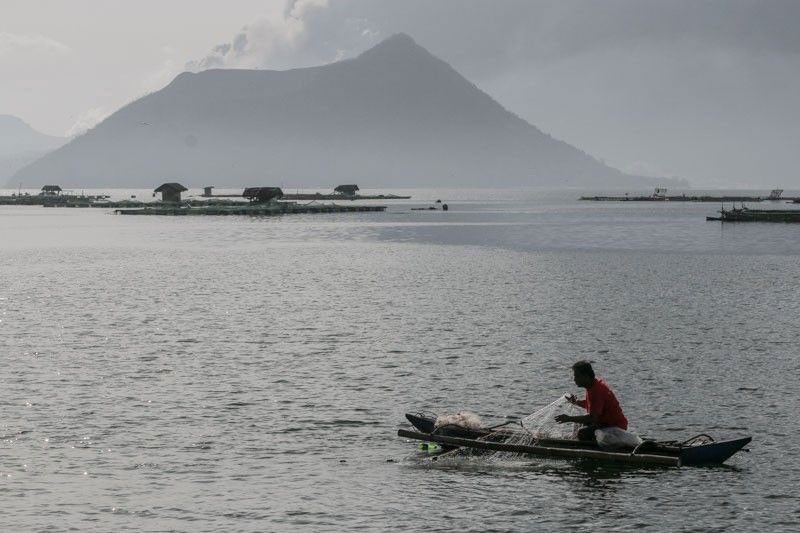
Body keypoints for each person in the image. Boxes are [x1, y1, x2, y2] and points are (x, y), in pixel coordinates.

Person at [555, 360, 628, 441]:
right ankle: (580, 441)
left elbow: (593, 418)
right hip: (606, 424)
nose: (574, 379)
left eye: (577, 376)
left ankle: (591, 446)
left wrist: (569, 418)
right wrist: (576, 402)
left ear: (586, 376)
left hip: (615, 428)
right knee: (579, 425)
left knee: (582, 433)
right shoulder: (592, 385)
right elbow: (593, 405)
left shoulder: (597, 390)